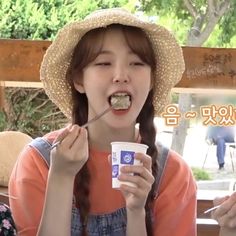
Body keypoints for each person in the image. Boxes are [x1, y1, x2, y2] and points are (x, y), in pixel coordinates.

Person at [8, 8, 197, 236]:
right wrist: (60, 178)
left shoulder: (172, 174)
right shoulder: (38, 163)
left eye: (136, 63)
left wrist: (136, 212)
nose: (120, 75)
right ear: (79, 79)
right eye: (104, 63)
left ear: (152, 80)